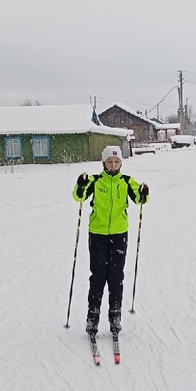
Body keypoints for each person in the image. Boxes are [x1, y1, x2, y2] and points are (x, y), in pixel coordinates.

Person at [73, 145, 149, 338]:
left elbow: (140, 200)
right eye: (110, 162)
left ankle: (115, 316)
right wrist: (80, 184)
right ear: (104, 163)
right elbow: (79, 197)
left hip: (119, 234)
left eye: (116, 162)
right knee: (97, 276)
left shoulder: (126, 181)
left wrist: (144, 192)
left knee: (116, 276)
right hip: (97, 234)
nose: (113, 165)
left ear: (121, 163)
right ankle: (93, 317)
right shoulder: (95, 180)